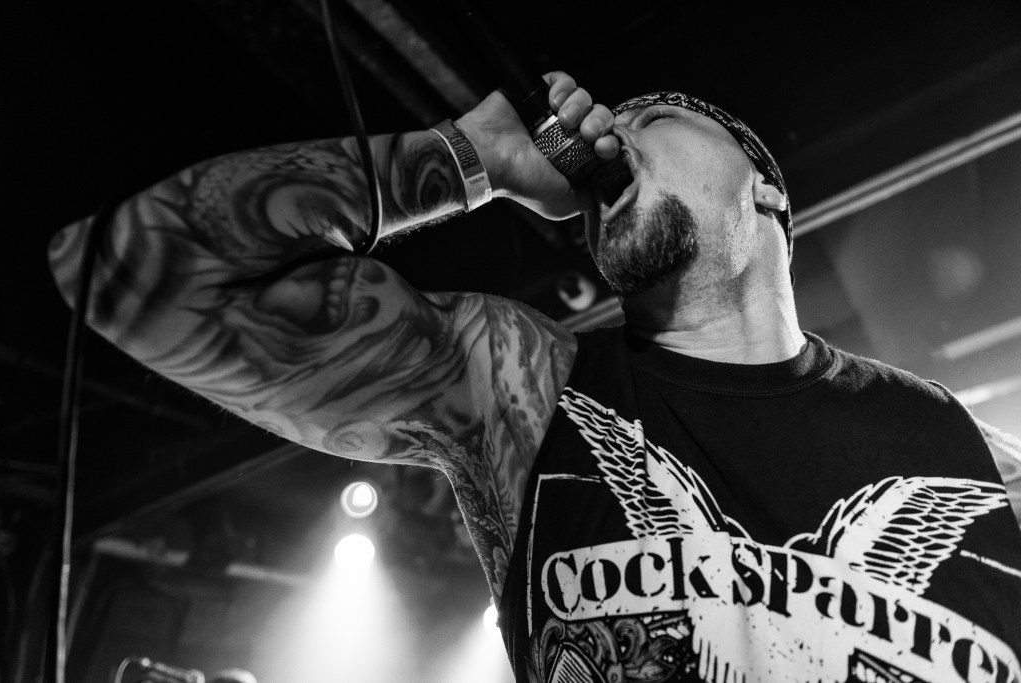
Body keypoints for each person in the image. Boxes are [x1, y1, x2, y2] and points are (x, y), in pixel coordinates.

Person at [49, 71, 1021, 682]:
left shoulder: (976, 459)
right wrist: (476, 158)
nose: (609, 141)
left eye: (653, 119)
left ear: (765, 185)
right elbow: (137, 267)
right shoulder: (525, 385)